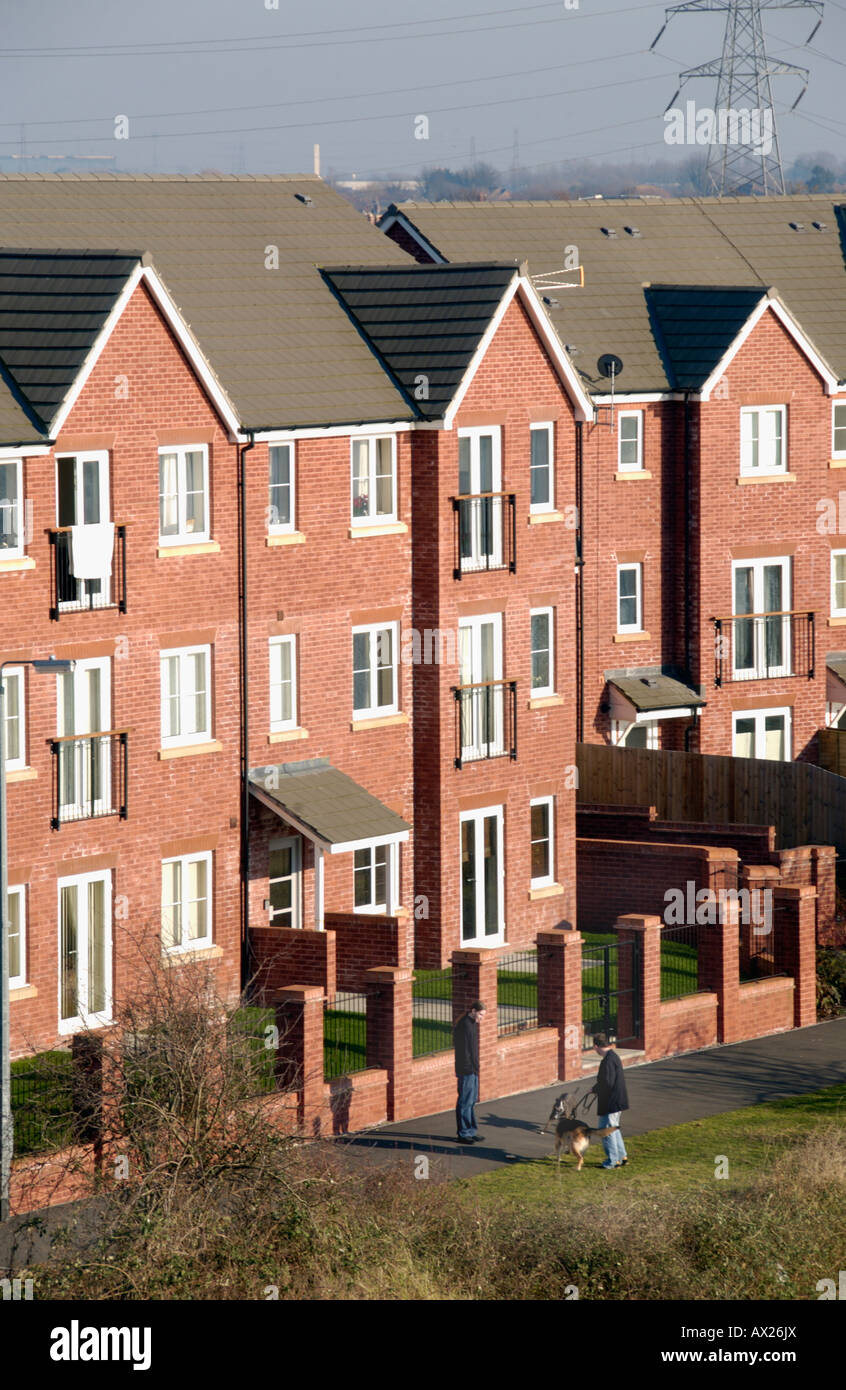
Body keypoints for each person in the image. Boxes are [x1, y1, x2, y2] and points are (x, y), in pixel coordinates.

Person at [591, 1032, 629, 1169]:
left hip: (610, 1102)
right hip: (617, 1101)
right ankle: (621, 1156)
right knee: (614, 1129)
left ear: (596, 1046)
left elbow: (607, 1083)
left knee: (605, 1130)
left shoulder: (607, 1061)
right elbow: (607, 1081)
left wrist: (596, 1089)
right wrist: (595, 1088)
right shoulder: (613, 1057)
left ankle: (612, 1161)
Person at [454, 1001, 486, 1143]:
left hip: (472, 1068)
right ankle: (463, 1133)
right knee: (465, 1101)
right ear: (473, 1011)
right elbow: (465, 1050)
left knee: (471, 1101)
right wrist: (471, 1066)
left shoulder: (472, 1024)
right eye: (480, 1014)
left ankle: (471, 1130)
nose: (482, 1018)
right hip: (466, 1069)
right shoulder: (465, 1025)